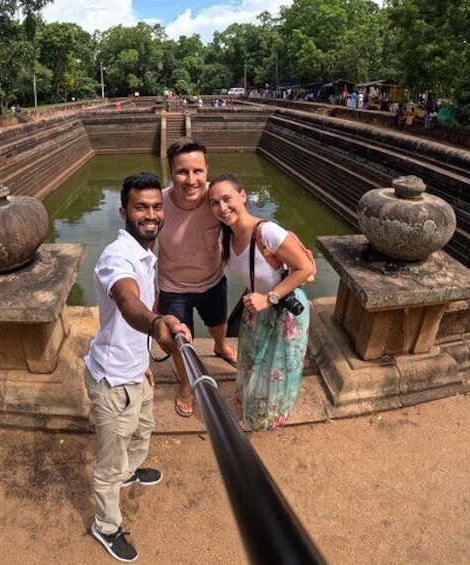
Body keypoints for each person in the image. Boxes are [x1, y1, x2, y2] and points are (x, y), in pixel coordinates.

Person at [84, 172, 191, 562]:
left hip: (135, 369)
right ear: (124, 212)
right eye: (140, 207)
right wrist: (155, 324)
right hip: (113, 381)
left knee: (141, 431)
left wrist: (144, 356)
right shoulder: (118, 256)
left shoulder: (147, 251)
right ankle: (105, 526)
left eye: (156, 206)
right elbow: (128, 301)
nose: (151, 214)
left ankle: (130, 471)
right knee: (108, 465)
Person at [206, 172, 315, 431]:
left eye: (227, 198)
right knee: (252, 360)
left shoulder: (266, 231)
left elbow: (306, 268)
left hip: (283, 308)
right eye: (214, 202)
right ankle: (252, 407)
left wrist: (270, 297)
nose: (222, 207)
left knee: (276, 367)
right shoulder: (228, 237)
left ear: (243, 196)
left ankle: (270, 416)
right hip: (257, 307)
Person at [156, 137, 237, 418]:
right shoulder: (158, 205)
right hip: (172, 287)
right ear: (170, 173)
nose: (191, 180)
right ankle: (186, 383)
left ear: (207, 170)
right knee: (180, 342)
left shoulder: (216, 201)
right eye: (182, 172)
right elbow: (139, 249)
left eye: (197, 171)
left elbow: (245, 227)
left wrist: (282, 250)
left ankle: (220, 346)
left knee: (218, 323)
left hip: (212, 279)